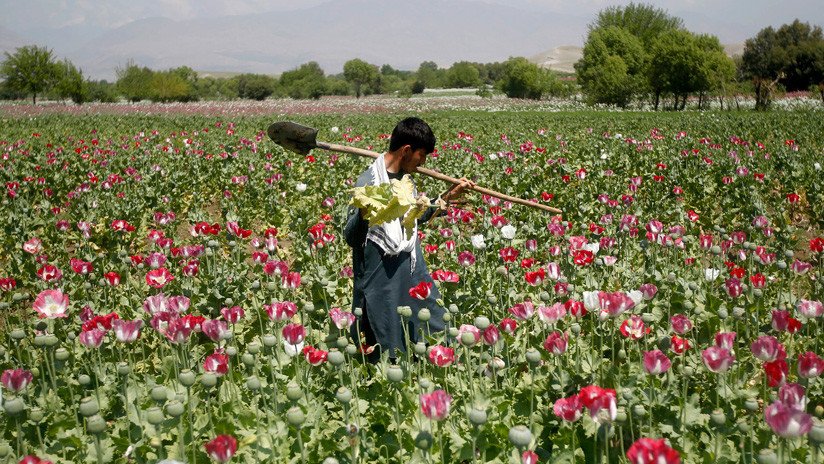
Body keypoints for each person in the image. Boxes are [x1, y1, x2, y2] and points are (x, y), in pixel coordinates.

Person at [344, 117, 473, 362]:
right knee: (387, 344)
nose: (423, 163)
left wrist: (447, 197)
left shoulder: (404, 181)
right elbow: (351, 237)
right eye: (421, 155)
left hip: (411, 270)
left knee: (435, 326)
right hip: (382, 277)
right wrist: (363, 212)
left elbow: (412, 216)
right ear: (406, 150)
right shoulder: (368, 183)